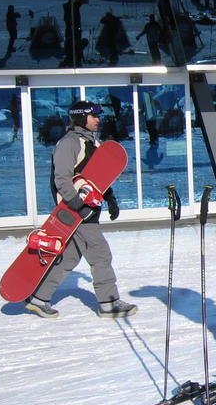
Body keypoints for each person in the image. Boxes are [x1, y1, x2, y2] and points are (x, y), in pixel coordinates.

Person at [24, 101, 137, 320]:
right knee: (101, 255)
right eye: (94, 116)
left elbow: (98, 177)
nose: (98, 119)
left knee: (69, 257)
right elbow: (61, 179)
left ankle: (38, 298)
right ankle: (108, 303)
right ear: (81, 117)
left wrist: (110, 198)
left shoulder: (92, 141)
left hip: (87, 210)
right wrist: (77, 204)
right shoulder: (69, 143)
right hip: (76, 212)